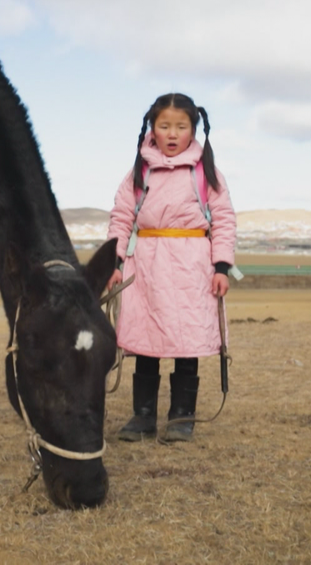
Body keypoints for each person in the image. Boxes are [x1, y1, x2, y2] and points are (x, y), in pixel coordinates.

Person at [105, 93, 237, 442]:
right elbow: (121, 218)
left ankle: (181, 417)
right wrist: (114, 262)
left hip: (193, 265)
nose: (173, 133)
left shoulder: (205, 172)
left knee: (185, 340)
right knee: (146, 341)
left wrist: (222, 266)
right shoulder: (139, 171)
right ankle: (142, 416)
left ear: (194, 129)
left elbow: (223, 219)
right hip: (146, 264)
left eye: (181, 126)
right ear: (152, 128)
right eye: (164, 126)